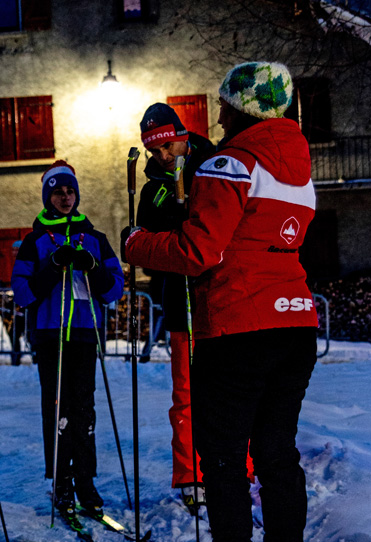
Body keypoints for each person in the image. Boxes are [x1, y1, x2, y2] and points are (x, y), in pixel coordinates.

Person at [123, 62, 318, 542]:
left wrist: (136, 243)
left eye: (224, 104)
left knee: (226, 456)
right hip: (295, 320)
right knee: (278, 453)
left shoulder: (230, 162)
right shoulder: (299, 167)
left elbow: (197, 250)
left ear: (240, 109)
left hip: (238, 324)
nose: (217, 113)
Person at [11, 161, 124, 518]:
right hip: (51, 334)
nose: (65, 197)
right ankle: (61, 482)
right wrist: (53, 265)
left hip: (84, 333)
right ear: (48, 196)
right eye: (58, 191)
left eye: (70, 191)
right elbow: (22, 293)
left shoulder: (95, 238)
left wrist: (93, 266)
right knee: (58, 409)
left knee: (84, 410)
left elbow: (115, 289)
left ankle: (86, 481)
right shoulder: (35, 241)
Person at [136, 102, 216, 513]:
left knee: (231, 391)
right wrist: (173, 229)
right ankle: (191, 474)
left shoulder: (214, 164)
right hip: (179, 302)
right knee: (186, 393)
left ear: (181, 134)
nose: (163, 156)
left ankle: (240, 468)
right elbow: (148, 252)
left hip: (220, 301)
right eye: (155, 151)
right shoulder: (153, 188)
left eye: (167, 146)